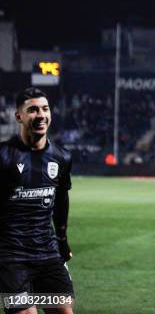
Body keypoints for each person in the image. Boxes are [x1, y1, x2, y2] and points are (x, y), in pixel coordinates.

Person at [0, 88, 74, 314]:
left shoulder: (62, 157)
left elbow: (61, 201)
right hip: (10, 259)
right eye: (33, 110)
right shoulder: (3, 157)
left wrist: (62, 240)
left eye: (45, 109)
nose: (41, 115)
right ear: (19, 116)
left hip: (48, 256)